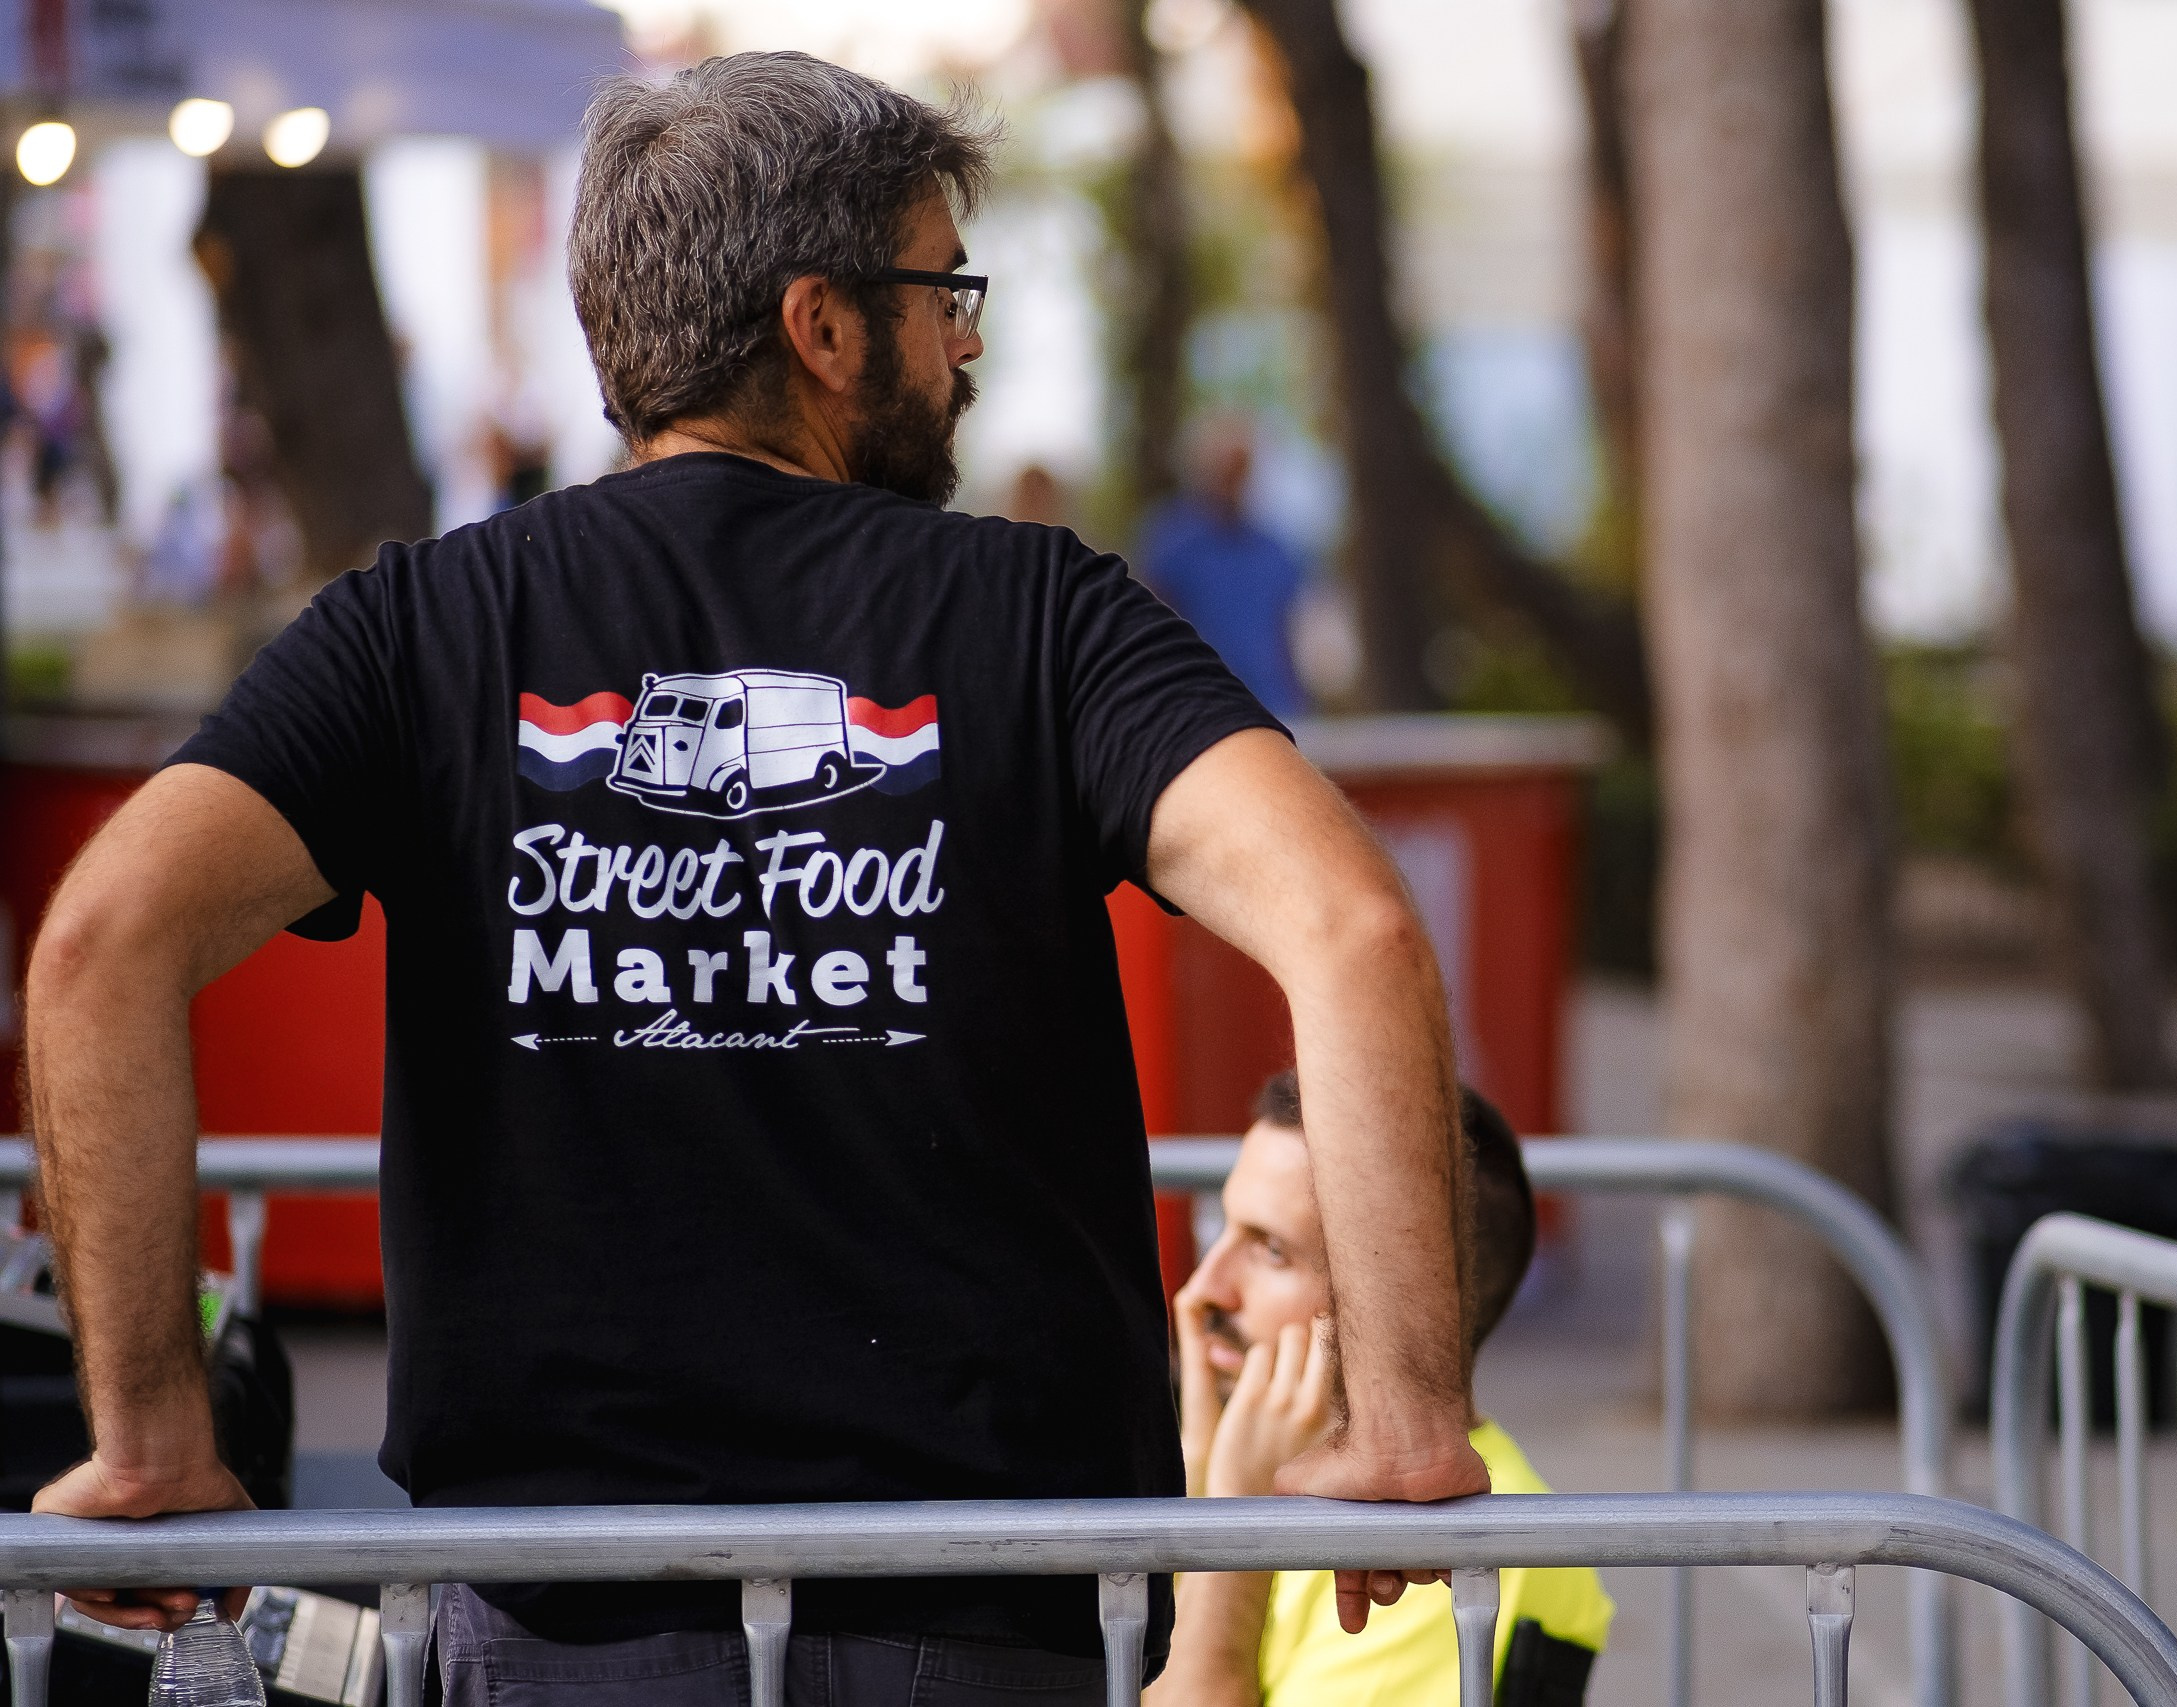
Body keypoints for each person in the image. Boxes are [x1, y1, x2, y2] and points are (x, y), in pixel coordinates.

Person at [24, 51, 1488, 1705]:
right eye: (947, 289)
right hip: (983, 1610)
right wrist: (1410, 1426)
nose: (972, 338)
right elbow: (1355, 926)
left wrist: (149, 1443)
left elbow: (98, 944)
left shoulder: (424, 625)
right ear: (824, 325)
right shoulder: (1038, 618)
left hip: (548, 1621)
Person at [1149, 1073, 1613, 1707]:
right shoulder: (1244, 1466)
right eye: (1220, 1232)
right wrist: (1200, 1480)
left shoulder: (1448, 1546)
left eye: (1274, 1251)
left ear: (1405, 1309)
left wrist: (1235, 1526)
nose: (1203, 1288)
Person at [1139, 418, 1309, 718]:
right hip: (1198, 710)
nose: (1234, 478)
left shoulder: (1275, 549)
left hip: (1272, 709)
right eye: (1225, 467)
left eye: (1242, 467)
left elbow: (1288, 636)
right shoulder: (1171, 542)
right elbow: (1154, 627)